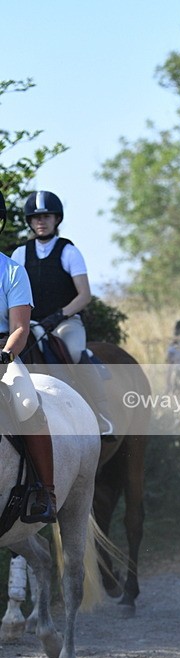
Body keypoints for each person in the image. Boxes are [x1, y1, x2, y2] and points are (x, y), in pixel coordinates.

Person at [11, 191, 114, 438]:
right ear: (29, 221)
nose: (40, 222)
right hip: (29, 322)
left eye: (46, 216)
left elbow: (85, 295)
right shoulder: (20, 254)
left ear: (56, 219)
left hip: (64, 323)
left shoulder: (69, 251)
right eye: (35, 218)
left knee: (75, 353)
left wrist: (59, 316)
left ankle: (102, 416)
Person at [0, 189, 56, 522]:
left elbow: (20, 327)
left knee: (26, 403)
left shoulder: (12, 271)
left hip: (2, 351)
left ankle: (45, 491)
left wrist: (6, 354)